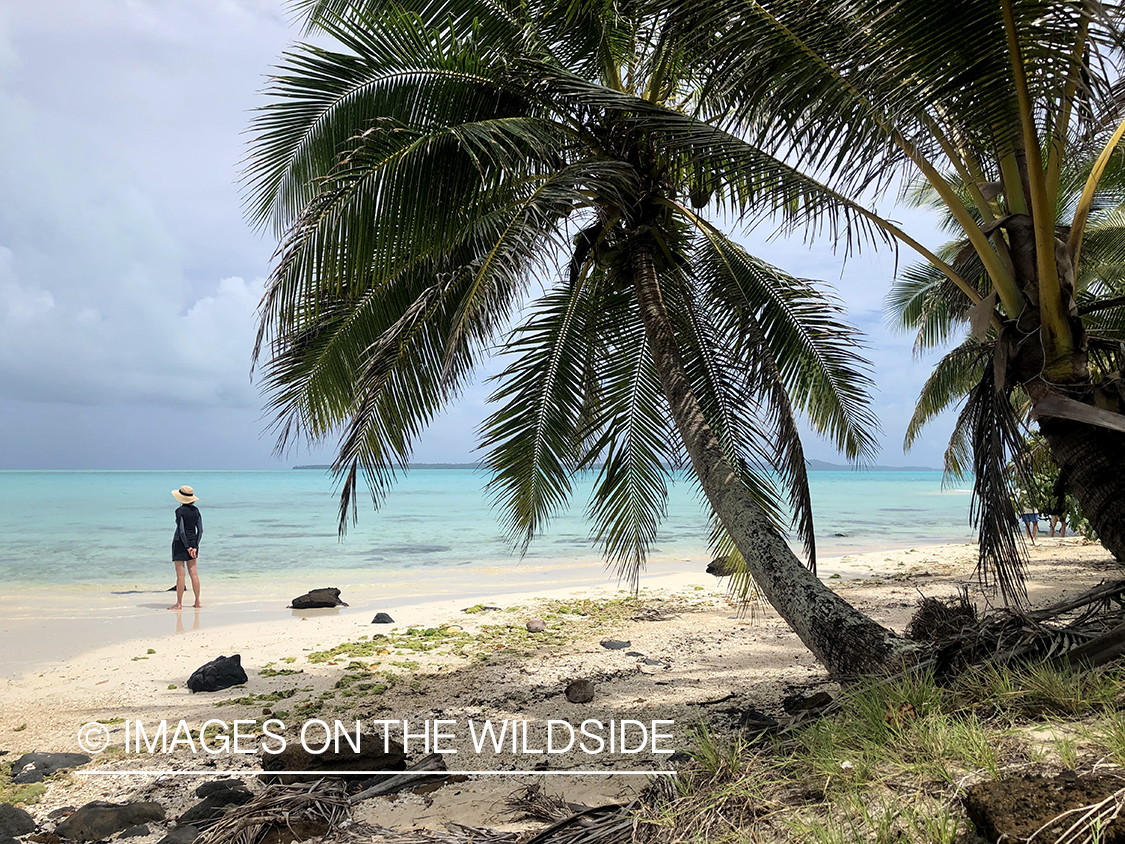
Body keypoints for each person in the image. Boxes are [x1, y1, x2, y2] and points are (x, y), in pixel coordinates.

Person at [168, 485, 203, 610]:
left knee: (180, 575)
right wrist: (195, 546)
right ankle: (197, 601)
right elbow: (201, 530)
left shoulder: (179, 511)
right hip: (193, 542)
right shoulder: (196, 511)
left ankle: (179, 603)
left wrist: (187, 547)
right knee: (194, 573)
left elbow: (181, 531)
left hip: (180, 543)